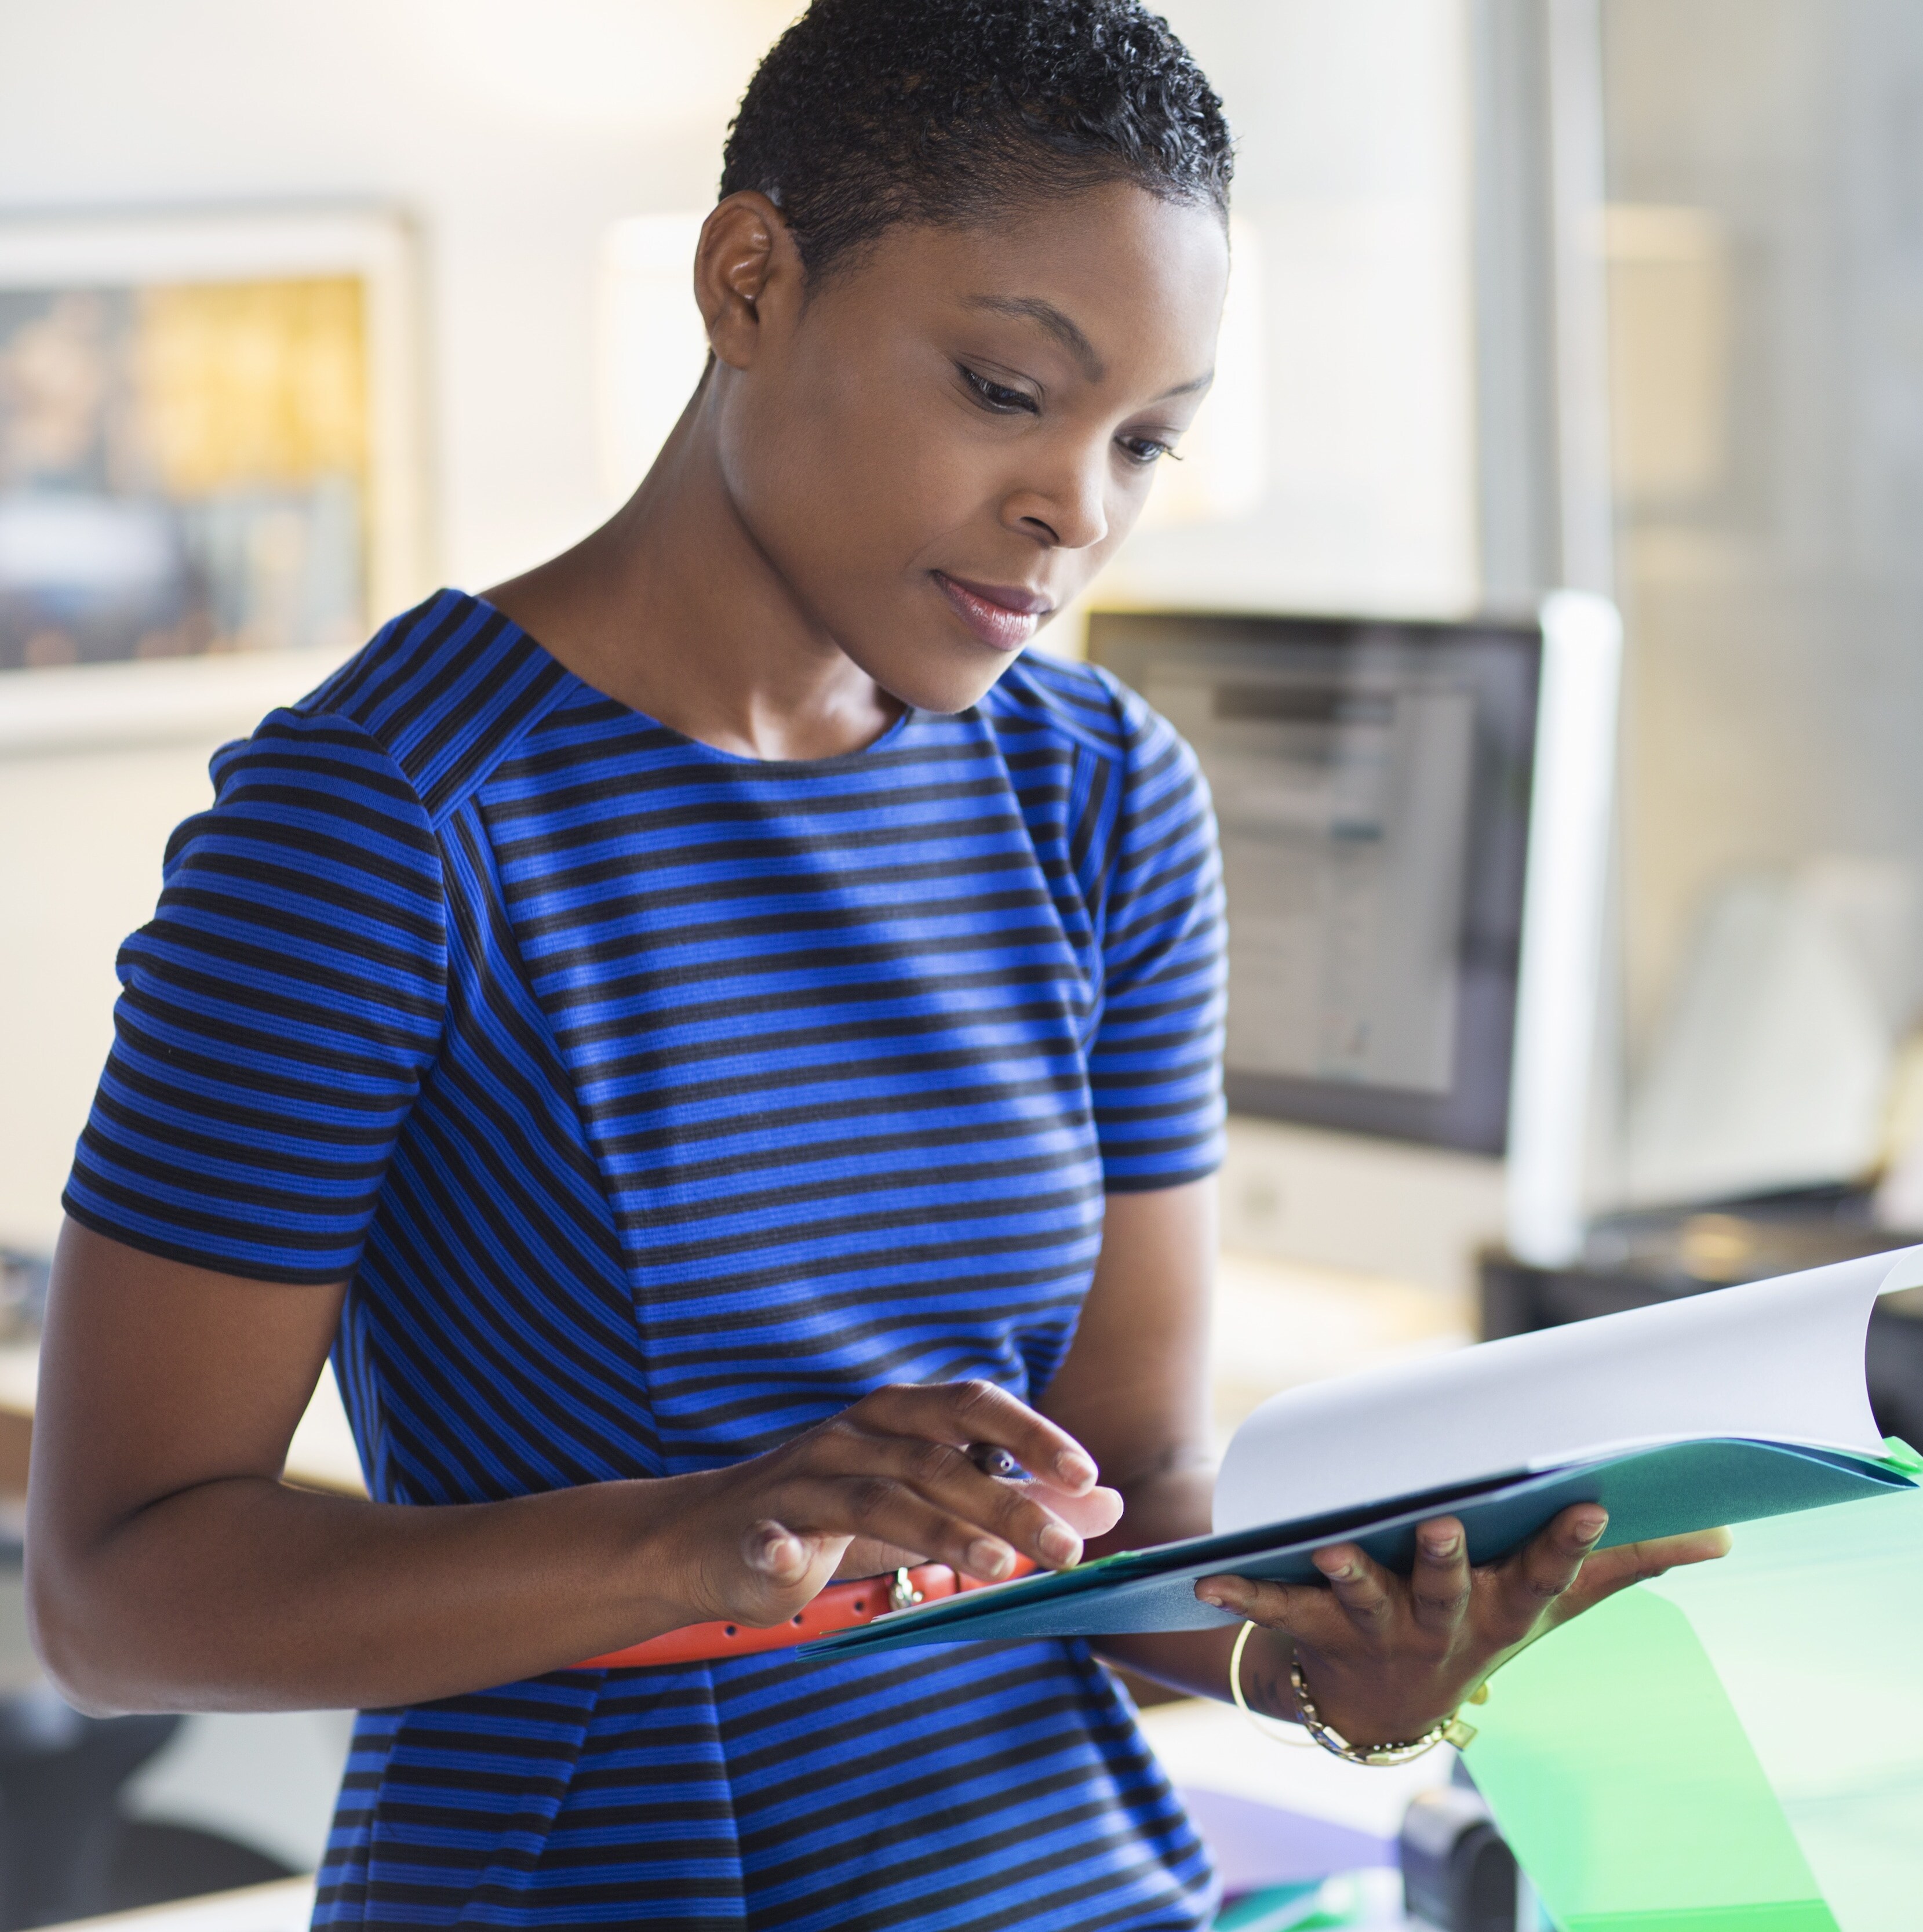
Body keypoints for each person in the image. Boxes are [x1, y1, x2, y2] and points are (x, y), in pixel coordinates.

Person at [24, 3, 1725, 1924]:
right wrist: (697, 1538)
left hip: (1075, 1883)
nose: (1077, 507)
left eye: (1146, 441)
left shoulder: (1103, 801)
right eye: (1010, 389)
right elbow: (113, 1597)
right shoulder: (389, 828)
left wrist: (1331, 1664)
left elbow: (1130, 1499)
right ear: (750, 282)